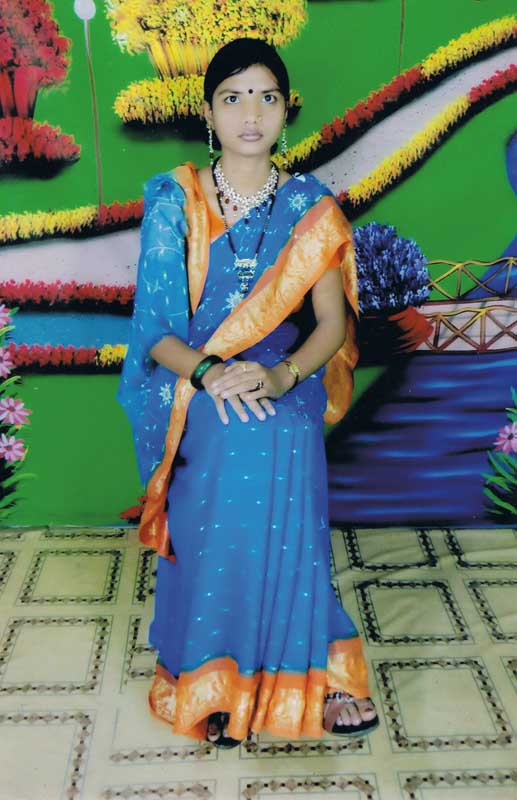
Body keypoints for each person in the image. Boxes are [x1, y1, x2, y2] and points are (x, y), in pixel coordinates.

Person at [117, 37, 378, 748]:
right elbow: (156, 331)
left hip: (278, 371)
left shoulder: (308, 205)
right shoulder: (175, 199)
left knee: (282, 432)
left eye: (266, 96)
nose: (250, 113)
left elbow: (330, 322)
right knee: (234, 435)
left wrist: (282, 375)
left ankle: (314, 670)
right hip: (191, 377)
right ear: (209, 113)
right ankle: (212, 675)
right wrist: (207, 373)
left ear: (284, 112)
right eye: (233, 97)